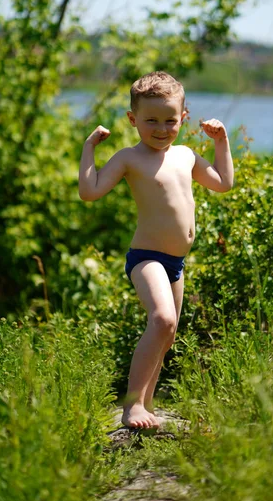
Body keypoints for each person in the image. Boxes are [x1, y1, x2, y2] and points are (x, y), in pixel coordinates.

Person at [79, 71, 234, 429]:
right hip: (146, 258)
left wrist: (222, 142)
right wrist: (90, 148)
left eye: (169, 120)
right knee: (162, 320)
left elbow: (224, 183)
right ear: (133, 120)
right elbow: (90, 191)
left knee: (167, 334)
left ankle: (146, 405)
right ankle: (132, 405)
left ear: (184, 117)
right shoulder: (129, 158)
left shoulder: (186, 155)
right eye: (151, 121)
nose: (161, 128)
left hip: (176, 262)